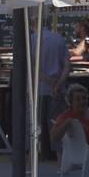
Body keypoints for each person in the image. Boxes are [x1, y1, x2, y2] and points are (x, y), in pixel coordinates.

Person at [35, 22, 71, 156]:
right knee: (56, 124)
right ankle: (59, 159)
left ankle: (35, 155)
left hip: (37, 90)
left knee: (35, 125)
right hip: (57, 90)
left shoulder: (31, 40)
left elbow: (32, 68)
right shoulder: (59, 39)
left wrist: (48, 81)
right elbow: (67, 66)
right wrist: (57, 85)